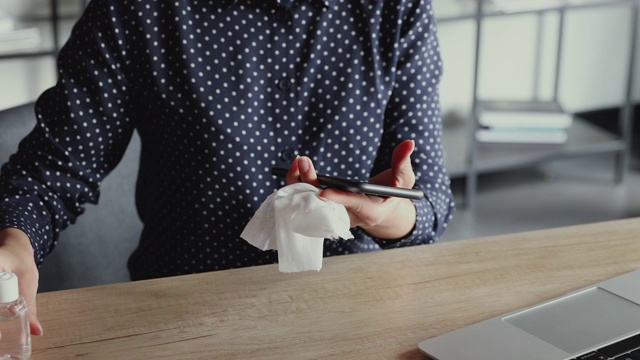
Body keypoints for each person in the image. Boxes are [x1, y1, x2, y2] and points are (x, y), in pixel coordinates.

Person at [0, 0, 455, 336]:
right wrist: (15, 243)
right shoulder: (133, 12)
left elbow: (431, 200)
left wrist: (384, 214)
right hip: (183, 317)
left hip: (355, 312)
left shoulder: (395, 9)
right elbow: (52, 171)